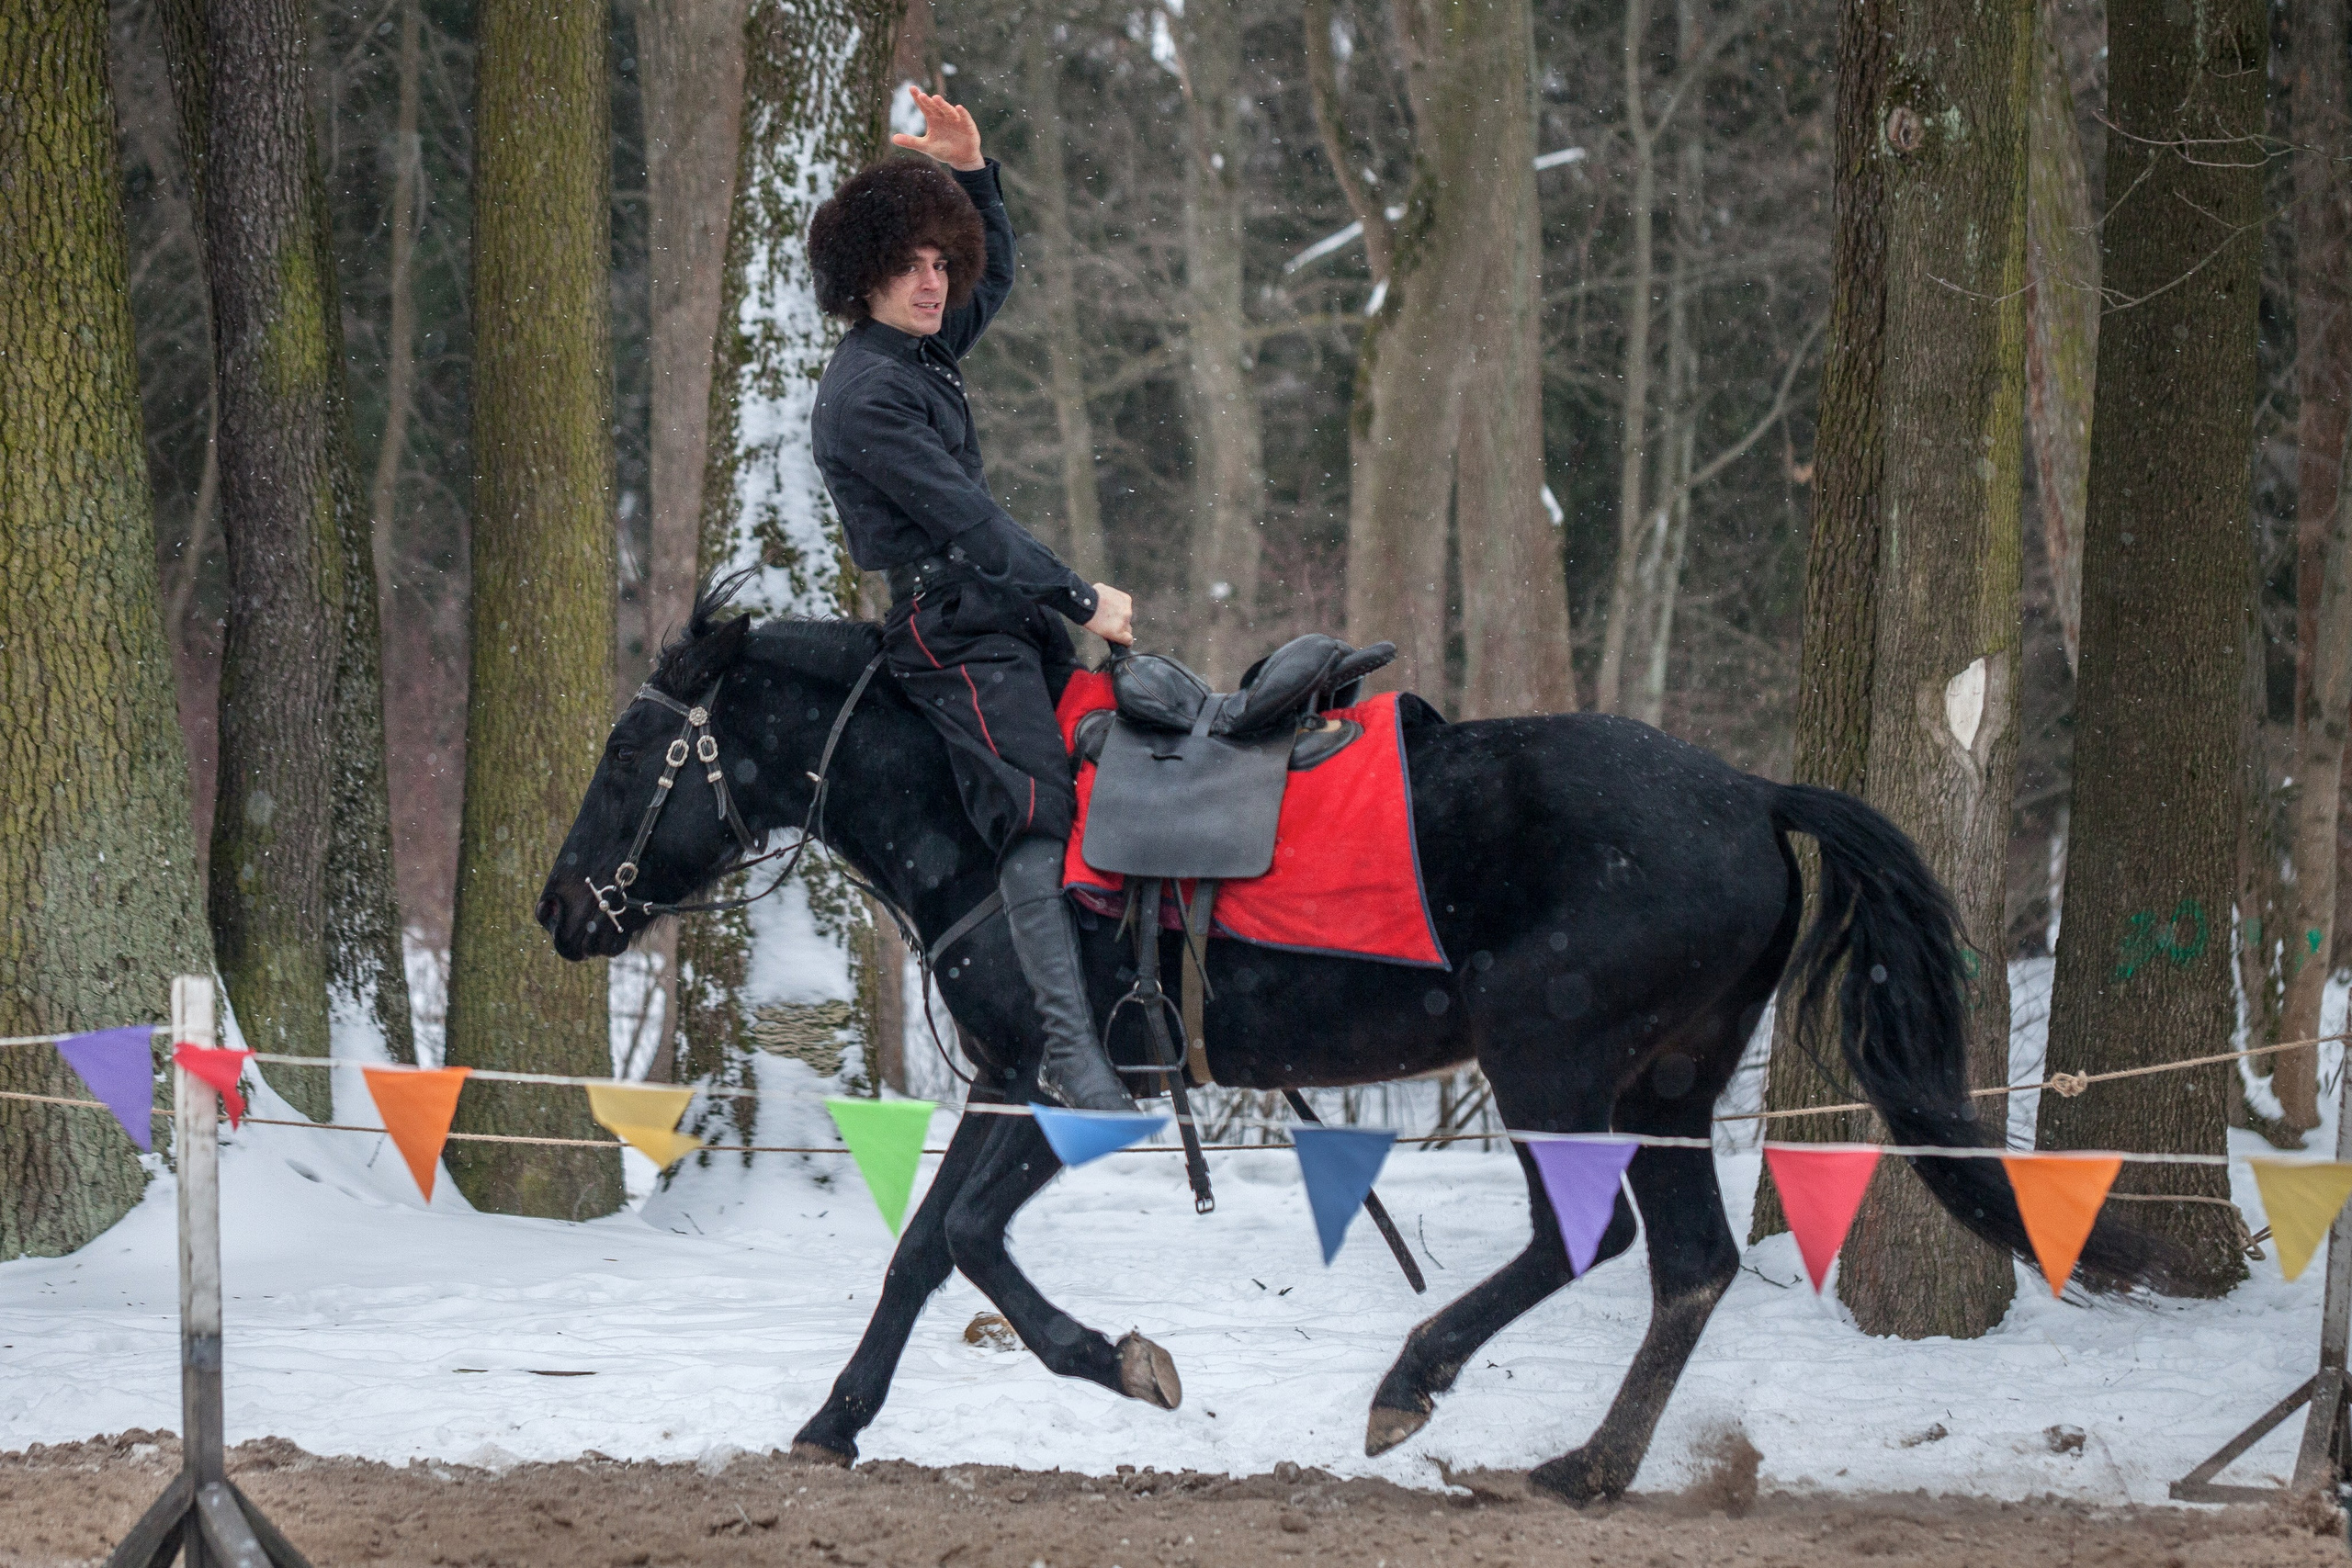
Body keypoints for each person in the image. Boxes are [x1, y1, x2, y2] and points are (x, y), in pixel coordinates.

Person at [808, 90, 1137, 1113]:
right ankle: (1070, 1059)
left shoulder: (920, 354)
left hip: (1001, 619)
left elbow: (998, 279)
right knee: (1038, 814)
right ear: (864, 275)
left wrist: (974, 175)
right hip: (949, 633)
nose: (934, 282)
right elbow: (969, 524)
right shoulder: (866, 393)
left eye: (941, 263)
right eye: (912, 265)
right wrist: (1083, 596)